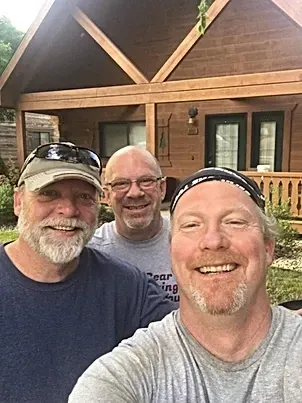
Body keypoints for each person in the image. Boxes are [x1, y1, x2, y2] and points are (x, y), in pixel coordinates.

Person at [69, 167, 302, 403]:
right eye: (191, 225)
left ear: (267, 248)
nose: (213, 241)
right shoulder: (123, 376)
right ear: (170, 252)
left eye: (234, 221)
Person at [0, 142, 175, 403]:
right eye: (49, 194)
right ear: (18, 201)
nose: (68, 210)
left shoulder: (126, 287)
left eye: (84, 197)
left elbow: (190, 344)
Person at [89, 146, 179, 303]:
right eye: (121, 183)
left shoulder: (189, 242)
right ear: (107, 195)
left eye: (146, 181)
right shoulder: (91, 253)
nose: (135, 193)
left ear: (162, 188)